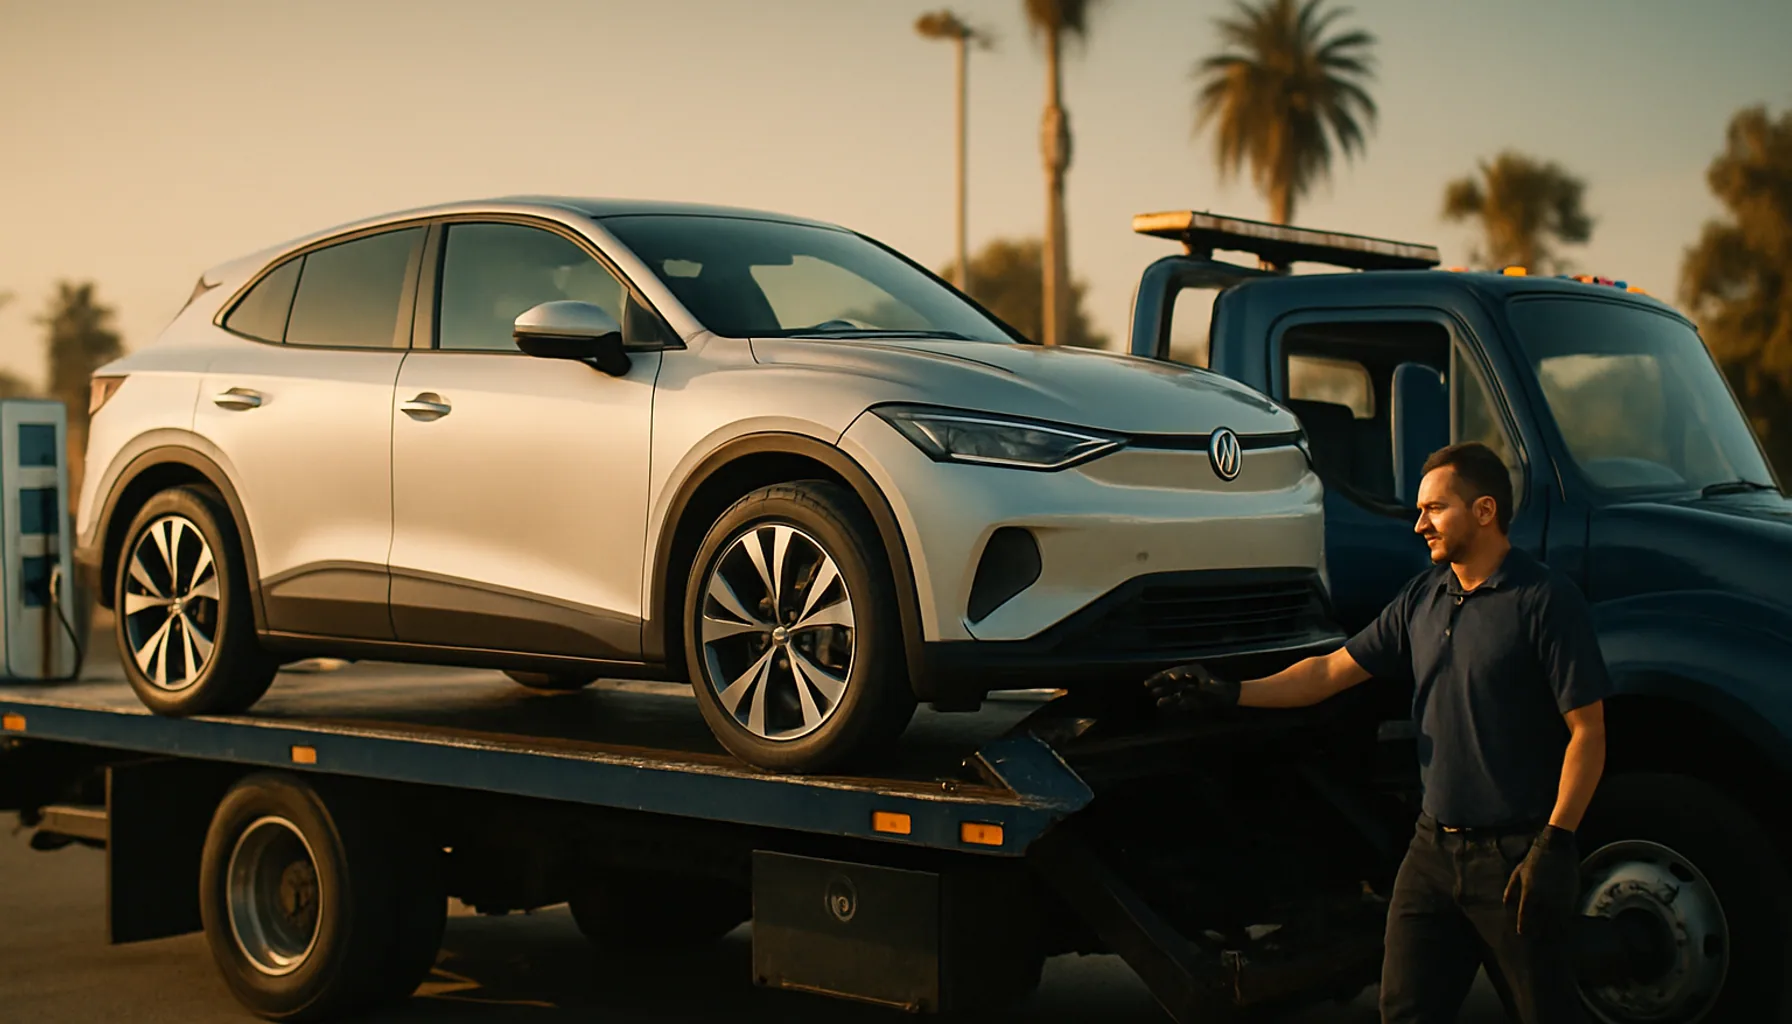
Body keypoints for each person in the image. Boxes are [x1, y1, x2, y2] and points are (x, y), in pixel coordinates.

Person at [1144, 442, 1610, 1024]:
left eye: (1435, 509)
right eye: (1420, 511)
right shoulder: (1422, 598)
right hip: (1431, 855)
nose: (1420, 525)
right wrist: (1230, 690)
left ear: (1485, 511)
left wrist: (1556, 844)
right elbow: (1329, 671)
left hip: (1515, 862)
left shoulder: (1544, 601)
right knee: (1404, 1012)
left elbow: (1588, 732)